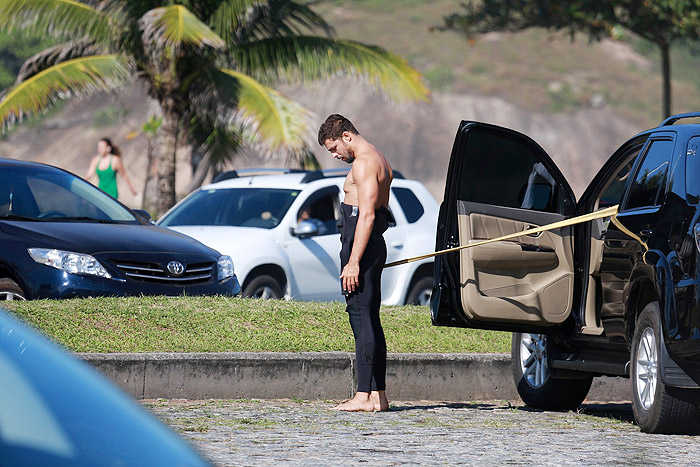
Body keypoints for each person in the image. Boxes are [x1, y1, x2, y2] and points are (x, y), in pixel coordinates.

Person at [318, 114, 394, 412]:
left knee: (361, 317)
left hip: (361, 246)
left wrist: (352, 262)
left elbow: (368, 215)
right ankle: (378, 395)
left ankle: (362, 396)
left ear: (347, 136)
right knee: (369, 319)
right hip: (368, 244)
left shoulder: (364, 162)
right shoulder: (379, 158)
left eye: (334, 147)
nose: (335, 155)